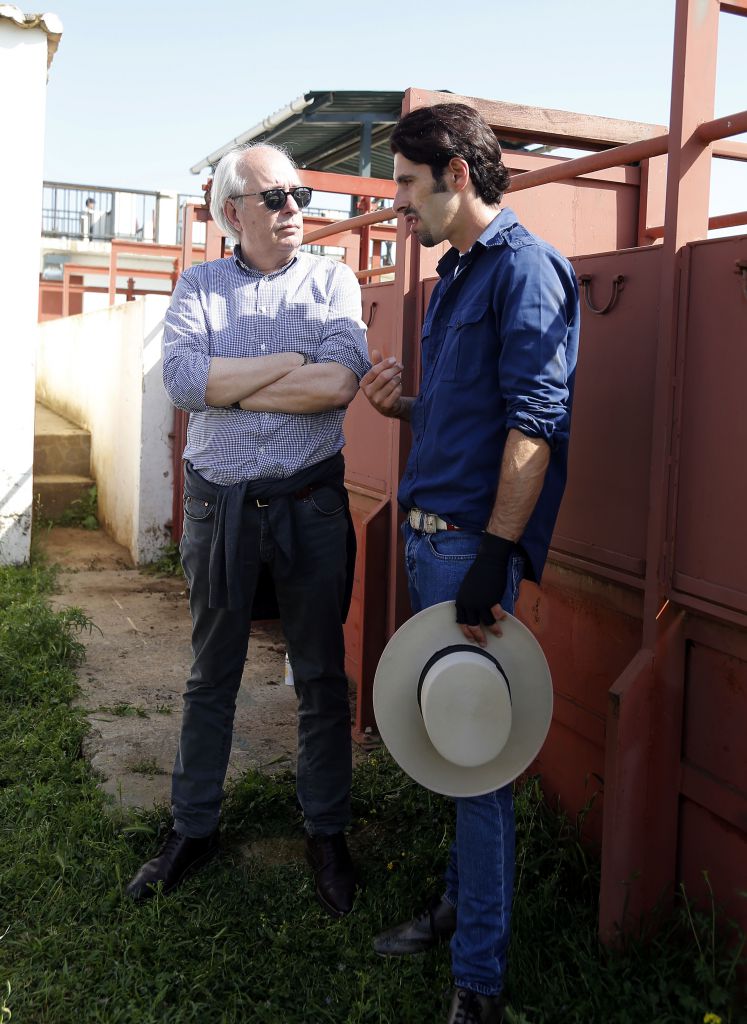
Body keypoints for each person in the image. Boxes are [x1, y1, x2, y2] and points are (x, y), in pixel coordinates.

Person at [360, 103, 579, 1024]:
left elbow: (534, 424)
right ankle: (457, 911)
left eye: (407, 185)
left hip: (465, 553)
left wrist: (494, 555)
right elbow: (473, 411)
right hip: (430, 536)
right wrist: (404, 407)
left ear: (454, 172)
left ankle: (479, 987)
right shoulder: (456, 271)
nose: (399, 206)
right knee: (456, 741)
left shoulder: (527, 269)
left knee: (479, 762)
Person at [126, 142, 370, 918]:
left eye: (298, 195)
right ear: (233, 211)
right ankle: (192, 828)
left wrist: (235, 385)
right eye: (274, 197)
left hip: (310, 504)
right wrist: (287, 360)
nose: (293, 208)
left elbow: (337, 386)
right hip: (219, 505)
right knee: (211, 677)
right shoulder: (199, 284)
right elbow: (184, 382)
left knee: (323, 678)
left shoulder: (334, 279)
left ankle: (326, 832)